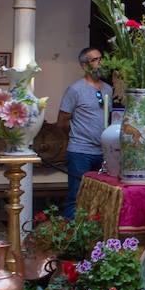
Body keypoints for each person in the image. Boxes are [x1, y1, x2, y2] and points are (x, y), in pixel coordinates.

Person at [56, 47, 108, 218]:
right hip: (80, 151)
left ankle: (96, 238)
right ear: (84, 66)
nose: (99, 63)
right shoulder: (75, 90)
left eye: (101, 58)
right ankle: (71, 238)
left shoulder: (108, 89)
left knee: (101, 197)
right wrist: (75, 137)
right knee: (77, 196)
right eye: (94, 60)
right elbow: (62, 121)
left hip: (103, 152)